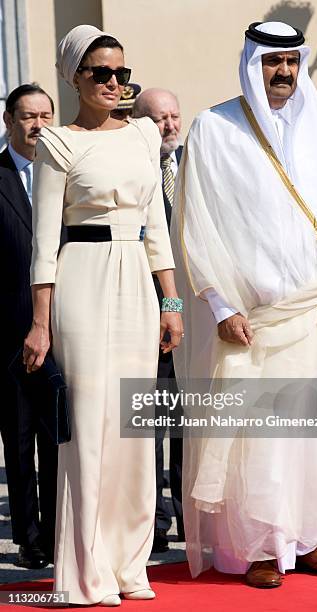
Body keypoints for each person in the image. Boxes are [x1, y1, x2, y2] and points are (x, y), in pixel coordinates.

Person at [171, 21, 317, 589]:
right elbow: (195, 225)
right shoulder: (215, 127)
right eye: (272, 61)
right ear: (252, 63)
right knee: (257, 438)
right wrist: (220, 305)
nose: (283, 72)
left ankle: (315, 541)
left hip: (314, 313)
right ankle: (255, 547)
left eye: (292, 62)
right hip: (250, 318)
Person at [23, 24, 183, 606]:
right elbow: (44, 243)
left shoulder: (143, 135)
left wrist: (171, 304)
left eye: (121, 73)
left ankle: (129, 565)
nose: (115, 83)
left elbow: (157, 230)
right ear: (76, 78)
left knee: (134, 431)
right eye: (101, 74)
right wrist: (40, 323)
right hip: (81, 283)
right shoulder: (57, 143)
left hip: (138, 288)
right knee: (89, 428)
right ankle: (88, 571)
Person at [0, 83, 57, 569]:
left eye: (45, 115)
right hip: (11, 335)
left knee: (58, 436)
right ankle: (29, 536)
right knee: (18, 442)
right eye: (28, 116)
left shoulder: (66, 176)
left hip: (67, 329)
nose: (38, 124)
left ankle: (60, 531)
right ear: (8, 121)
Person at [133, 88, 184, 552]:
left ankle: (191, 517)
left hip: (199, 319)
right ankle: (156, 522)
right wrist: (170, 310)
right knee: (150, 425)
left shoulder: (195, 166)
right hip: (150, 317)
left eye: (173, 116)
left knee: (191, 426)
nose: (169, 125)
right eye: (158, 118)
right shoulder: (134, 168)